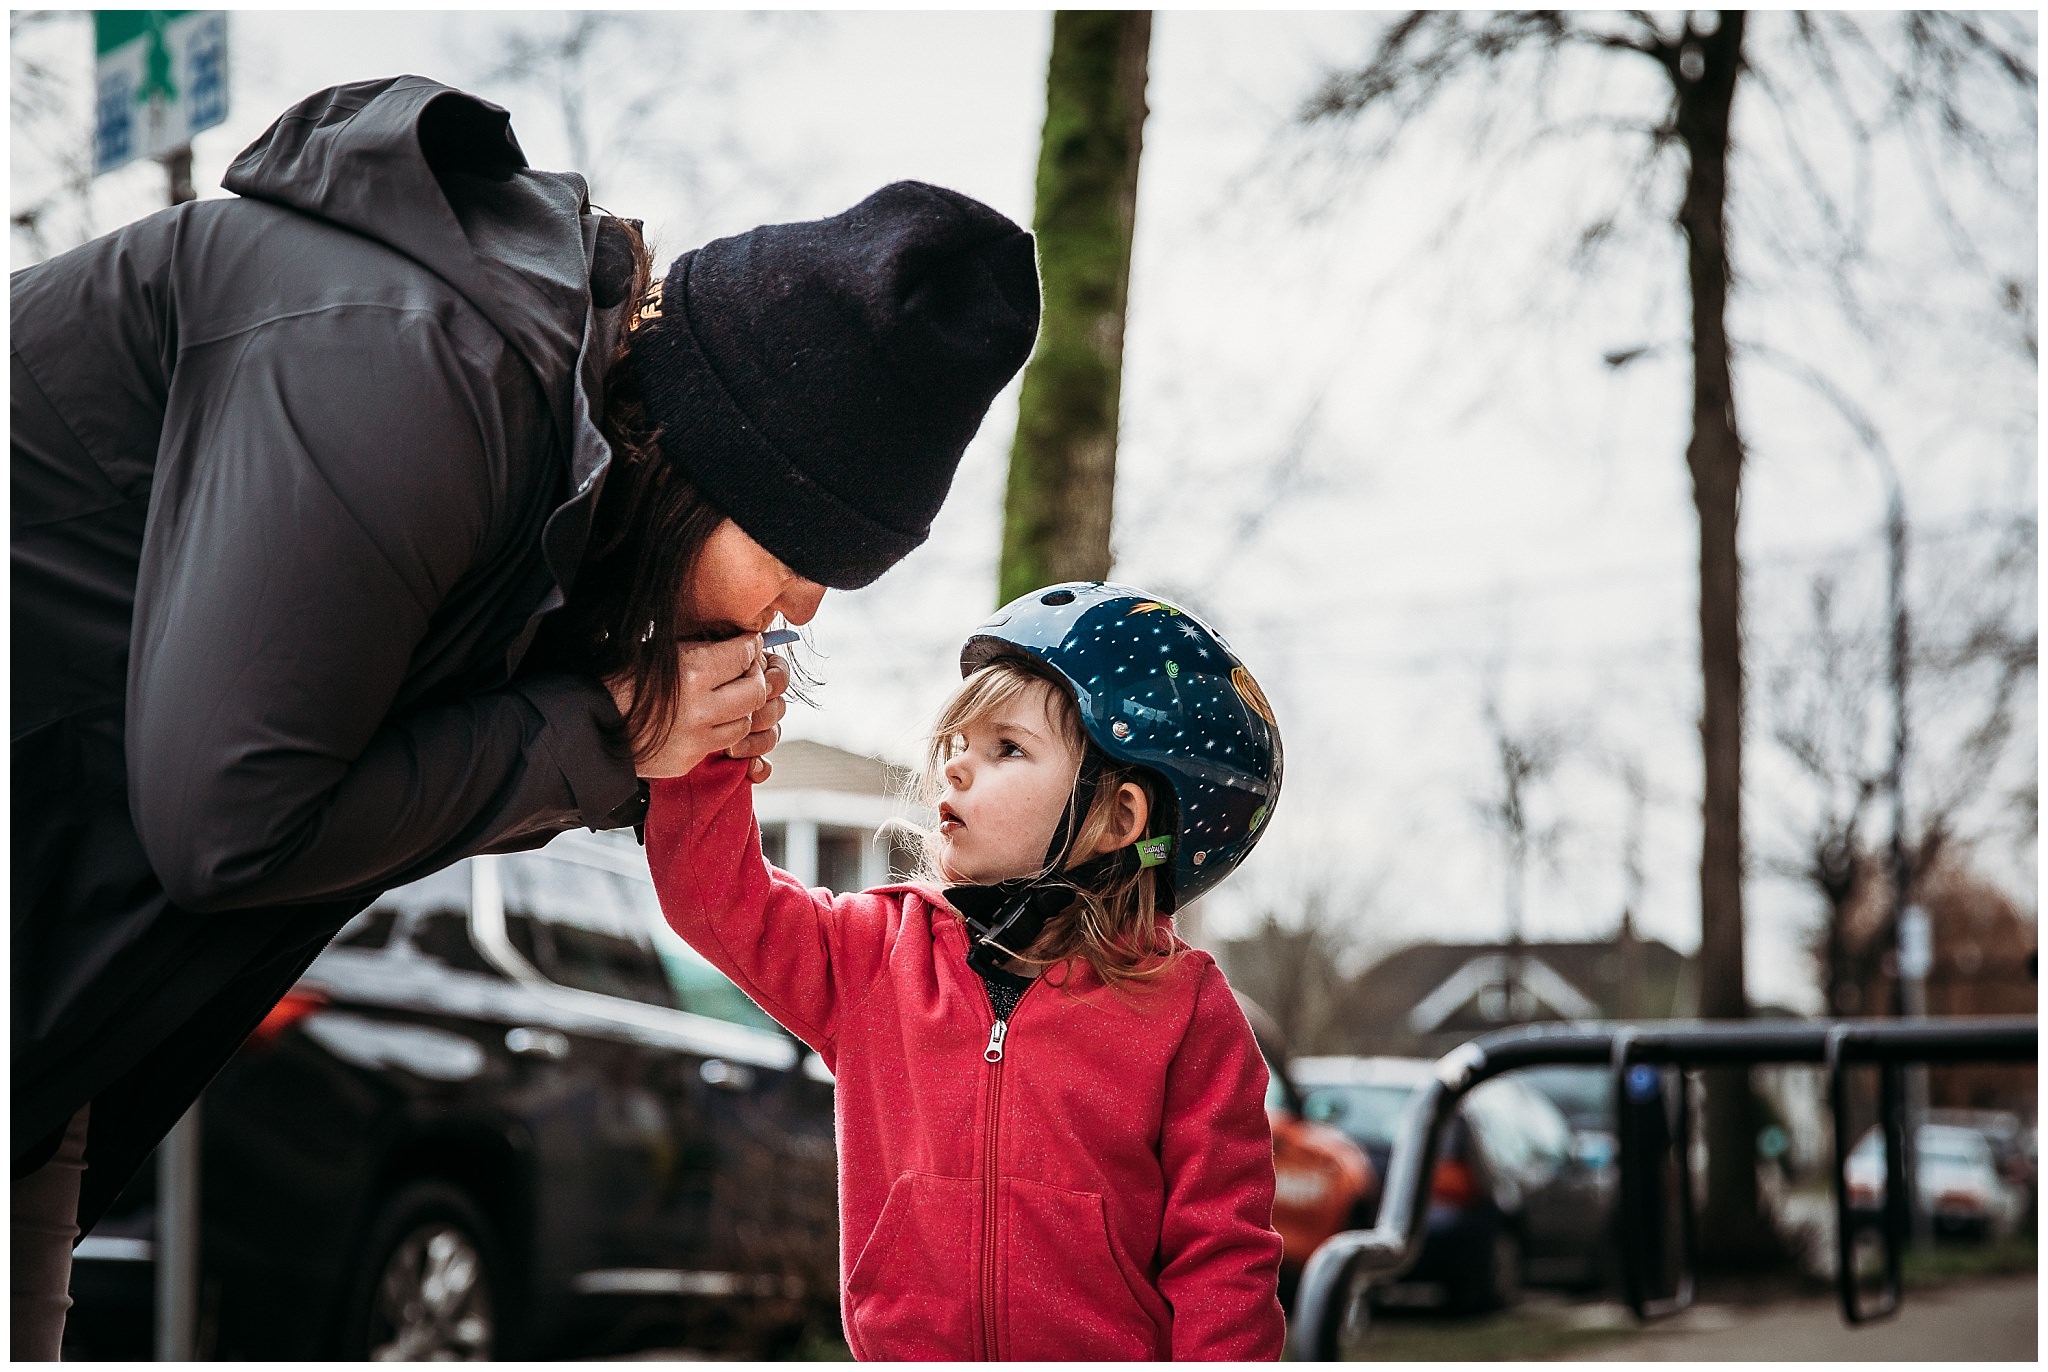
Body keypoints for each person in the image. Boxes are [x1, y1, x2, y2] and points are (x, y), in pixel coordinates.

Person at [11, 74, 1039, 1357]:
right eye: (799, 557)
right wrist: (604, 731)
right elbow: (232, 823)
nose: (803, 613)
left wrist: (621, 741)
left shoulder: (528, 459)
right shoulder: (414, 368)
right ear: (702, 458)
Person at [643, 581, 1289, 1360]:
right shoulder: (874, 957)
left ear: (1120, 818)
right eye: (958, 744)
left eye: (1005, 749)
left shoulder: (1188, 1014)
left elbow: (1224, 1258)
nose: (954, 770)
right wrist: (709, 744)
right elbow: (716, 899)